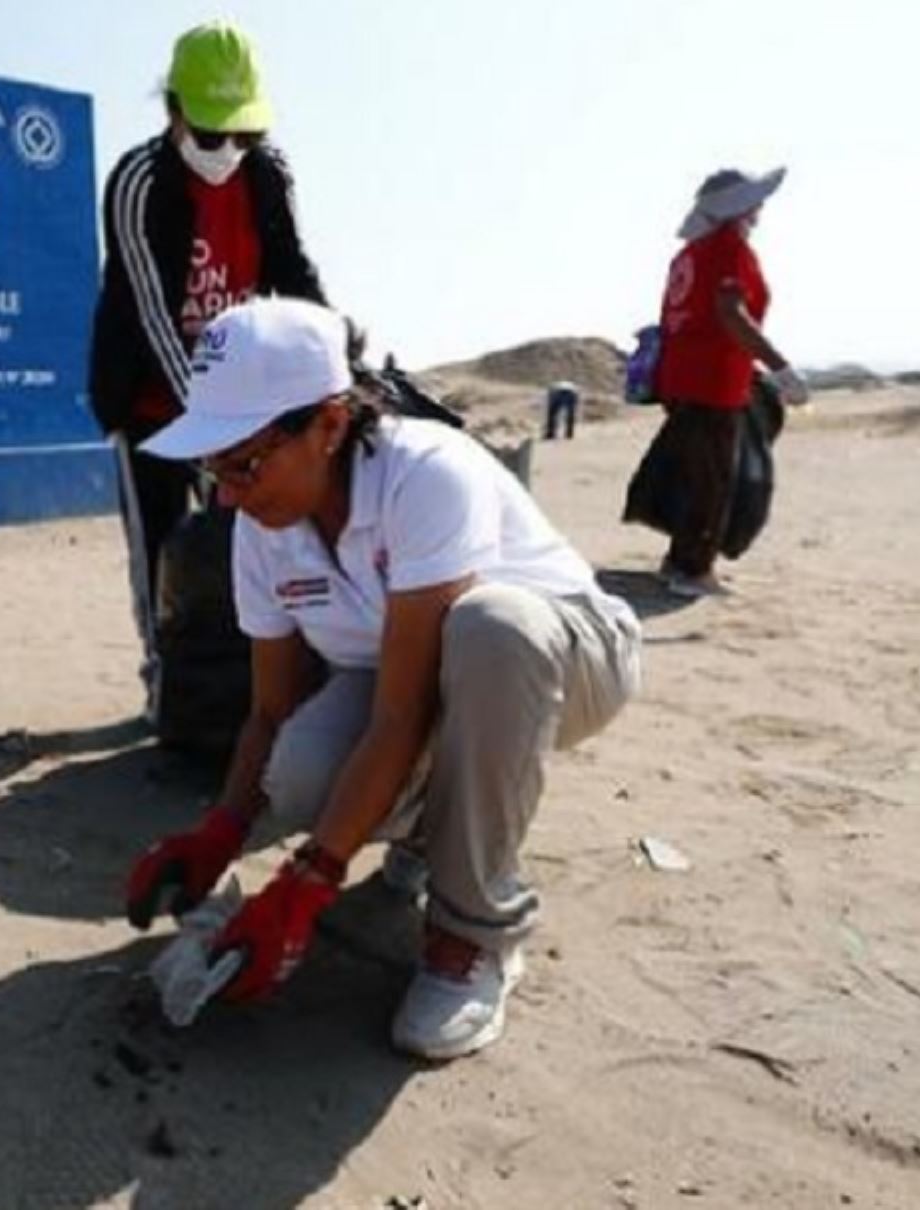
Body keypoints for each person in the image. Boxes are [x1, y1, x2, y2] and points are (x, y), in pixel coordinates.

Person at [122, 298, 642, 1060]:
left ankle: (475, 933)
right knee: (297, 771)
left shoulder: (425, 474)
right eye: (212, 466)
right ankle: (439, 838)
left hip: (563, 660)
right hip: (425, 682)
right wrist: (223, 831)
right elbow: (270, 712)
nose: (226, 493)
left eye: (242, 462)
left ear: (329, 424)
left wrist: (309, 881)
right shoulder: (264, 524)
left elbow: (402, 713)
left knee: (490, 627)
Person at [89, 20, 327, 717]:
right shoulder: (138, 181)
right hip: (153, 409)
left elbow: (294, 277)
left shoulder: (269, 175)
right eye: (211, 134)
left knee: (258, 547)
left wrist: (332, 361)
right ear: (174, 112)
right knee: (163, 554)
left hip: (239, 406)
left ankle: (253, 692)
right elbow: (148, 311)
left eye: (243, 135)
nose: (228, 152)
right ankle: (167, 692)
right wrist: (206, 420)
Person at [651, 167, 808, 597]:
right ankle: (693, 570)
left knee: (696, 471)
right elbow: (729, 314)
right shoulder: (726, 248)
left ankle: (679, 560)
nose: (760, 209)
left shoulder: (689, 253)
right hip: (711, 381)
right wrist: (780, 367)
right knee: (715, 477)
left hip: (682, 377)